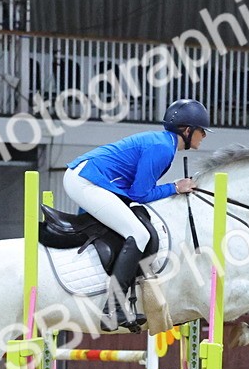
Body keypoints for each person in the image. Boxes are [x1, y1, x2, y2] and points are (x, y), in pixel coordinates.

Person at [63, 98, 209, 330]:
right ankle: (113, 306)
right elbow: (139, 193)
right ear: (187, 130)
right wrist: (175, 187)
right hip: (87, 180)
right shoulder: (163, 148)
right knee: (139, 234)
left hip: (90, 178)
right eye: (202, 130)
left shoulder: (164, 143)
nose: (204, 135)